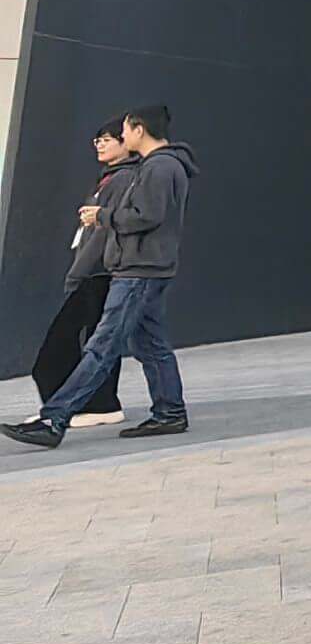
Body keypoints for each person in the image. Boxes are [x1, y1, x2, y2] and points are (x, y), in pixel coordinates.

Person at [5, 106, 197, 450]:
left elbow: (147, 215)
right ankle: (170, 412)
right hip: (145, 269)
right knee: (151, 346)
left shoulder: (159, 167)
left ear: (140, 130)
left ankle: (54, 419)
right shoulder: (159, 166)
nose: (122, 136)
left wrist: (103, 216)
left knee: (101, 347)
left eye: (124, 130)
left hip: (137, 272)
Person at [25, 123, 137, 429]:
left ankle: (91, 406)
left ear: (125, 142)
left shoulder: (124, 178)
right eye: (97, 140)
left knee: (64, 345)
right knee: (97, 343)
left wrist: (78, 271)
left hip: (98, 273)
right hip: (95, 272)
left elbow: (103, 234)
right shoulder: (108, 177)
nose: (99, 145)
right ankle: (90, 405)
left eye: (107, 139)